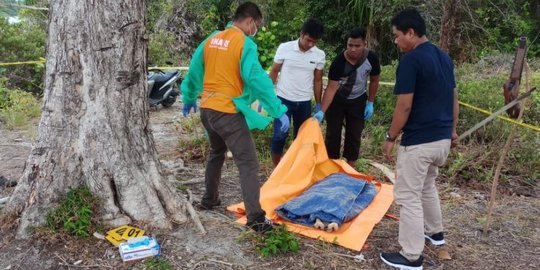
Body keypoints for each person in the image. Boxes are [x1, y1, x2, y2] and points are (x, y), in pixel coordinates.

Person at [180, 2, 290, 234]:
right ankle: (256, 218)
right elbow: (256, 78)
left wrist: (189, 96)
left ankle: (209, 200)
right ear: (250, 21)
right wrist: (277, 110)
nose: (255, 30)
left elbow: (193, 70)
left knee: (216, 152)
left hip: (207, 109)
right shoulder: (244, 43)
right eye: (256, 25)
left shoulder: (211, 39)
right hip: (227, 112)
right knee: (248, 162)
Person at [379, 8, 459, 270]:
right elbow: (453, 98)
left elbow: (404, 106)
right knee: (426, 186)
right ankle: (435, 234)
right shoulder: (444, 58)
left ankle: (411, 256)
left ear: (410, 33)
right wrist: (453, 130)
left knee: (408, 195)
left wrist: (391, 137)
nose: (396, 40)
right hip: (441, 140)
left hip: (420, 142)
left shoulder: (411, 60)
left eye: (397, 35)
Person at [313, 27, 380, 168]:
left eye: (357, 46)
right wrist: (322, 111)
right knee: (332, 135)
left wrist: (370, 102)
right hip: (337, 101)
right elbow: (331, 88)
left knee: (354, 135)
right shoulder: (338, 62)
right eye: (350, 45)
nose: (353, 49)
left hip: (358, 100)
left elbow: (374, 80)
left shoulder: (371, 58)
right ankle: (332, 167)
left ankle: (350, 169)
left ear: (365, 45)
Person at [268, 19, 326, 167]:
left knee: (301, 139)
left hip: (304, 102)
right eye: (308, 40)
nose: (311, 44)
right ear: (301, 34)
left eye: (315, 41)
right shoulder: (285, 48)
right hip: (283, 100)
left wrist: (318, 103)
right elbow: (274, 71)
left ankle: (295, 170)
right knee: (279, 135)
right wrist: (268, 96)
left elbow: (318, 80)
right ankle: (276, 169)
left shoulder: (319, 55)